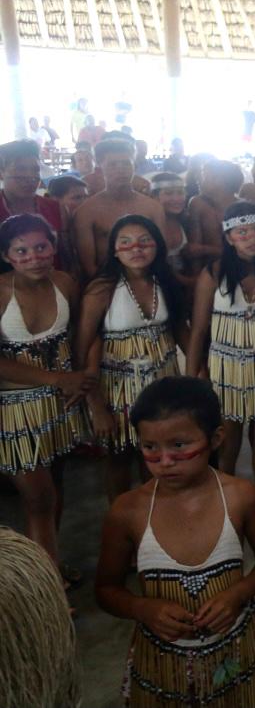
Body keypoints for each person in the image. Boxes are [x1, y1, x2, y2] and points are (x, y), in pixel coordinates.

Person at [96, 376, 255, 707]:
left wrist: (238, 593)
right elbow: (106, 590)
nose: (164, 461)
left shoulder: (240, 497)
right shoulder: (128, 511)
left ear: (216, 439)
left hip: (233, 654)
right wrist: (142, 607)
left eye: (179, 446)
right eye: (150, 447)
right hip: (161, 668)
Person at [186, 202, 255, 527]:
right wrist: (193, 379)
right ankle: (225, 509)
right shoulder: (214, 274)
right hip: (226, 371)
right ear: (230, 237)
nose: (252, 238)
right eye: (242, 232)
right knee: (228, 443)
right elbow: (199, 330)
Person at [0, 214, 89, 571]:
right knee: (39, 497)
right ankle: (49, 589)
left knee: (55, 488)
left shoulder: (65, 283)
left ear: (53, 247)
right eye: (22, 250)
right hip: (13, 409)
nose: (34, 257)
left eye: (41, 247)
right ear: (8, 256)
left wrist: (84, 385)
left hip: (60, 405)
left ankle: (49, 563)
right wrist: (56, 378)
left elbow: (82, 338)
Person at [77, 215, 185, 501]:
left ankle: (156, 521)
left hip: (162, 383)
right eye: (125, 242)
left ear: (157, 247)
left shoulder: (164, 281)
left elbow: (181, 331)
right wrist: (96, 405)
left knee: (158, 457)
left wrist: (200, 375)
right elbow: (83, 346)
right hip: (116, 389)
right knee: (119, 459)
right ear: (114, 250)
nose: (136, 248)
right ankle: (123, 524)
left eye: (144, 241)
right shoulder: (102, 289)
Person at [72, 137, 167, 278]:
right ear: (99, 167)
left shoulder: (153, 208)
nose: (121, 169)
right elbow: (88, 266)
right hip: (105, 282)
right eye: (113, 164)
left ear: (134, 165)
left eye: (126, 164)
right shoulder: (86, 212)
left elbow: (161, 254)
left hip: (149, 279)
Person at [0, 140, 68, 270]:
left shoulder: (55, 208)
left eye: (35, 170)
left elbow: (66, 255)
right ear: (1, 172)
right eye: (20, 169)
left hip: (53, 284)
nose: (29, 176)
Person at [187, 159, 245, 273]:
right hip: (209, 271)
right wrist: (196, 280)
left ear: (219, 180)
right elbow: (194, 250)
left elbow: (246, 249)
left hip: (240, 268)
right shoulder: (198, 203)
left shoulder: (244, 208)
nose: (198, 179)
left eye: (203, 175)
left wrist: (206, 249)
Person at [148, 172, 193, 290]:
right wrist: (188, 281)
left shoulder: (185, 221)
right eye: (168, 193)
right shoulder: (148, 225)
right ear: (154, 197)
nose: (176, 199)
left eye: (180, 193)